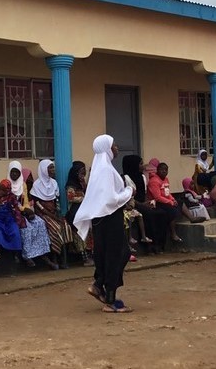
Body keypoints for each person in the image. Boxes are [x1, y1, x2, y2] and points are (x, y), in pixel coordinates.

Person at [73, 134, 135, 313]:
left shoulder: (99, 169)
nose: (117, 148)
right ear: (107, 148)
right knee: (119, 254)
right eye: (113, 145)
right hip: (110, 216)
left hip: (100, 218)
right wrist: (129, 191)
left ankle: (99, 285)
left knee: (105, 254)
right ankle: (109, 299)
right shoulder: (106, 170)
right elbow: (110, 199)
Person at [7, 163, 56, 269]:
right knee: (27, 228)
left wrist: (28, 210)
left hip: (23, 212)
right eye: (12, 172)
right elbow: (11, 204)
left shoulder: (23, 184)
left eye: (17, 172)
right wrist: (24, 210)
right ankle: (27, 255)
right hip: (12, 213)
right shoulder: (6, 185)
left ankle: (42, 252)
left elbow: (25, 201)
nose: (14, 174)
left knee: (40, 223)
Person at [122, 155, 170, 254]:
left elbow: (144, 194)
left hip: (142, 203)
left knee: (162, 213)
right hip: (133, 204)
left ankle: (160, 244)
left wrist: (148, 202)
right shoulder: (126, 178)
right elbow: (128, 197)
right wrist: (142, 205)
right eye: (140, 164)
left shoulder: (142, 176)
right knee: (149, 214)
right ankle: (149, 245)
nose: (143, 166)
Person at [30, 159, 72, 268]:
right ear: (44, 169)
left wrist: (58, 214)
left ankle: (63, 258)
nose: (53, 170)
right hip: (43, 214)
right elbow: (38, 205)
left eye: (53, 167)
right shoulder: (37, 185)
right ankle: (55, 257)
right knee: (55, 229)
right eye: (50, 168)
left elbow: (56, 201)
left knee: (66, 226)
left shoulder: (54, 183)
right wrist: (52, 216)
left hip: (53, 213)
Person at [64, 161, 94, 267]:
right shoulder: (71, 185)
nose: (82, 176)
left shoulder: (82, 183)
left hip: (84, 210)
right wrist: (83, 199)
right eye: (81, 173)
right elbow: (71, 198)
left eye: (84, 173)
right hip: (75, 211)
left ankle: (91, 255)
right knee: (80, 232)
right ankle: (85, 258)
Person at [146, 162, 182, 243]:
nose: (164, 171)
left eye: (166, 170)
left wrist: (173, 199)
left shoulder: (166, 179)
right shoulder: (154, 181)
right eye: (162, 170)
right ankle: (173, 234)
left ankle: (191, 218)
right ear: (157, 170)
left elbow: (167, 193)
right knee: (172, 210)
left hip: (165, 200)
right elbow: (157, 197)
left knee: (179, 202)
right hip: (156, 203)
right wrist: (170, 202)